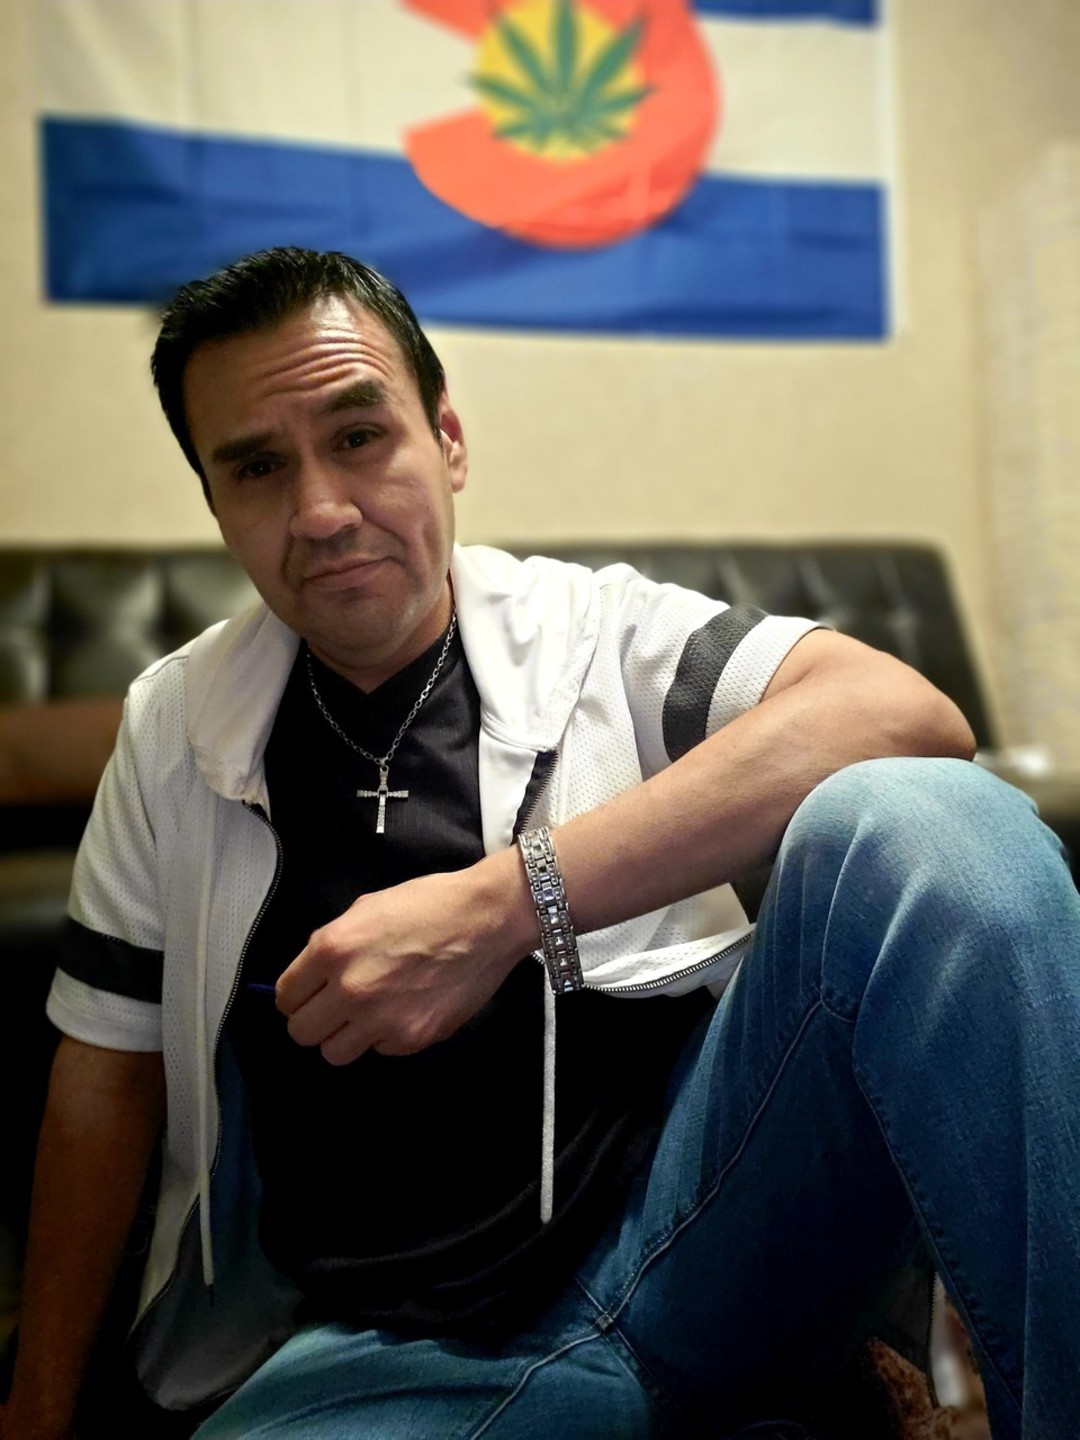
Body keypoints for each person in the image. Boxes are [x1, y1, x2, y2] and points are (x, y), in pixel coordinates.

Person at [3, 247, 1078, 1440]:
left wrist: (502, 907)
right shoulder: (172, 730)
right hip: (389, 1356)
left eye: (359, 436)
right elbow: (104, 1072)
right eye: (257, 467)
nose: (321, 511)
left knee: (936, 823)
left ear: (447, 441)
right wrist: (37, 1412)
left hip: (704, 1246)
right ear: (215, 503)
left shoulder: (596, 634)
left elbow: (902, 714)